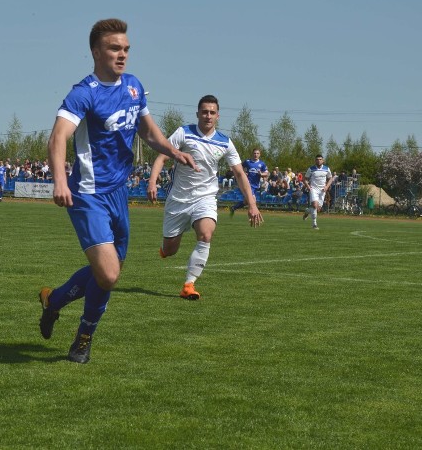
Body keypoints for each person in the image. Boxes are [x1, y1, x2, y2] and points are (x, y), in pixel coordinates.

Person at [37, 18, 197, 364]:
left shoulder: (134, 87)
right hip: (88, 194)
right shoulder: (83, 93)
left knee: (108, 275)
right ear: (96, 52)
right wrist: (60, 180)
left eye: (125, 49)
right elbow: (58, 137)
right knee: (108, 274)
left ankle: (56, 303)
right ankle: (83, 337)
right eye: (114, 48)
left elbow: (150, 133)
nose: (122, 55)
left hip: (118, 195)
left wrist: (173, 151)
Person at [147, 95, 262, 300]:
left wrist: (252, 204)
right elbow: (162, 156)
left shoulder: (225, 142)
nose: (208, 116)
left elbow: (239, 174)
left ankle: (189, 285)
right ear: (198, 113)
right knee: (171, 249)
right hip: (179, 199)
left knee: (206, 235)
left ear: (218, 116)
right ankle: (165, 249)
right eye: (204, 112)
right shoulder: (184, 132)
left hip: (206, 198)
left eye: (212, 112)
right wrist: (152, 181)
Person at [229, 148, 268, 216]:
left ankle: (234, 207)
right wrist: (244, 173)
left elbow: (266, 173)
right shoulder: (247, 162)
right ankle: (253, 217)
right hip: (248, 184)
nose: (256, 155)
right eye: (254, 153)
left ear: (260, 154)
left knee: (246, 202)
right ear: (252, 154)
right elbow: (239, 168)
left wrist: (261, 174)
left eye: (257, 153)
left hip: (256, 185)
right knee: (253, 201)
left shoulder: (262, 164)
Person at [302, 154, 333, 229]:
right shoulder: (311, 169)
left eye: (320, 159)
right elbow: (305, 179)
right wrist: (308, 187)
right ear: (315, 161)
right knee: (315, 205)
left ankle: (307, 211)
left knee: (318, 209)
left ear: (323, 160)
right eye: (317, 159)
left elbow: (330, 178)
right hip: (314, 189)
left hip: (322, 190)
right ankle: (314, 224)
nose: (319, 161)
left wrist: (326, 186)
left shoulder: (326, 169)